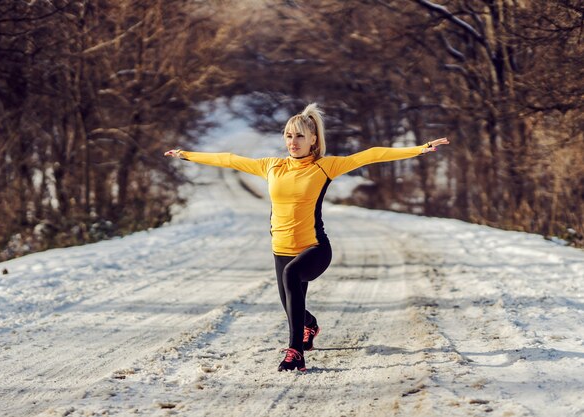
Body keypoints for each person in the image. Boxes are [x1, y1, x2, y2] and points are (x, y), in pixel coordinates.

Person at [165, 103, 450, 372]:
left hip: (315, 248)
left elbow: (372, 154)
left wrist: (420, 149)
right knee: (290, 304)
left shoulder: (324, 167)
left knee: (291, 277)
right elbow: (229, 160)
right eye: (288, 136)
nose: (293, 141)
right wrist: (186, 155)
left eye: (299, 136)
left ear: (313, 139)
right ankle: (309, 326)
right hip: (281, 247)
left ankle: (295, 352)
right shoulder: (272, 166)